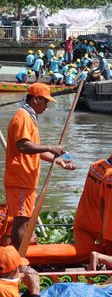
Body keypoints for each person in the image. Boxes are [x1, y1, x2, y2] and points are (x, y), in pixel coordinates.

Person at [4, 83, 74, 249]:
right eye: (45, 102)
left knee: (25, 219)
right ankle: (18, 264)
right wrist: (51, 147)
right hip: (20, 177)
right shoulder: (22, 117)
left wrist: (57, 160)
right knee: (22, 220)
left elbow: (35, 149)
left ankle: (18, 258)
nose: (47, 106)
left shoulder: (29, 118)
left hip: (26, 179)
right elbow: (24, 146)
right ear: (36, 99)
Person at [74, 141, 112, 253]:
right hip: (101, 224)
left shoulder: (95, 165)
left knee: (84, 256)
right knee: (108, 256)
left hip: (82, 219)